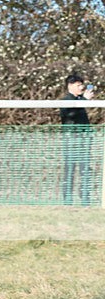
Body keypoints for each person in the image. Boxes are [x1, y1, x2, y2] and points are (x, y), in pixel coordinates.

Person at [60, 74, 95, 205]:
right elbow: (69, 114)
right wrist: (84, 100)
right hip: (71, 140)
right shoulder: (66, 100)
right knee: (70, 170)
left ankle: (85, 199)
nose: (81, 87)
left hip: (83, 140)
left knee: (85, 169)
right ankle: (68, 200)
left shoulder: (80, 99)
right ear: (70, 85)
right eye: (78, 85)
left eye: (82, 85)